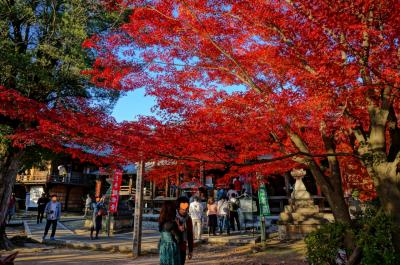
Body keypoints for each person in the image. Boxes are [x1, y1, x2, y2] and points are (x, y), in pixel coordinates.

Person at [175, 196, 194, 265]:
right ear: (178, 208)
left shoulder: (188, 219)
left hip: (182, 247)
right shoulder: (173, 218)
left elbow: (190, 235)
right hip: (173, 247)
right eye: (182, 209)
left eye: (186, 209)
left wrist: (190, 250)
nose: (185, 210)